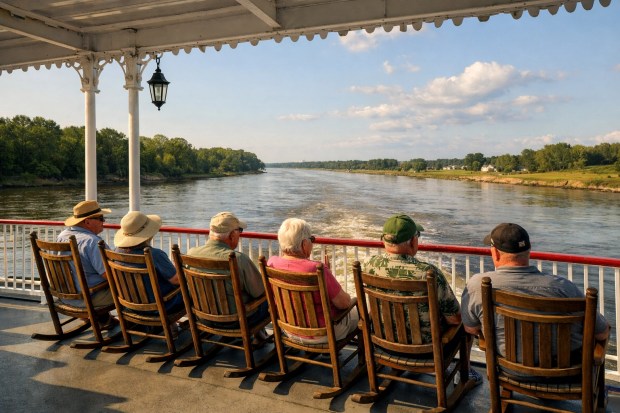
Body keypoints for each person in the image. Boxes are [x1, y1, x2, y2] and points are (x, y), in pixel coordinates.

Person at [461, 223, 610, 359]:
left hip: (508, 371)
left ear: (496, 253)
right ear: (529, 251)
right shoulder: (563, 287)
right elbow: (601, 333)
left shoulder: (477, 285)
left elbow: (471, 328)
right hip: (565, 374)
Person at [363, 213, 481, 385]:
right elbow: (455, 318)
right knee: (465, 323)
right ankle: (466, 372)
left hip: (383, 346)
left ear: (384, 240)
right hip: (426, 352)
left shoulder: (368, 266)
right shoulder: (429, 274)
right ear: (412, 241)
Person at [267, 217, 359, 344]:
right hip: (322, 334)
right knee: (361, 311)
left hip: (288, 330)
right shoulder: (316, 269)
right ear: (304, 244)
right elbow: (344, 303)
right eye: (312, 239)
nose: (312, 243)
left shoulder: (271, 263)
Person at [187, 211, 269, 343]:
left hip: (202, 318)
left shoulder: (191, 254)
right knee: (270, 299)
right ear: (232, 235)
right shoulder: (238, 259)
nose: (240, 235)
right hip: (236, 322)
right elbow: (260, 292)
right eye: (239, 231)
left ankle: (260, 335)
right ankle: (261, 337)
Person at [114, 211, 183, 313]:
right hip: (159, 307)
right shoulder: (155, 255)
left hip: (130, 306)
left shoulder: (116, 252)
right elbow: (177, 280)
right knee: (192, 291)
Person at [58, 200, 114, 325]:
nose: (103, 221)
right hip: (88, 298)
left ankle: (104, 320)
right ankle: (139, 323)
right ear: (87, 221)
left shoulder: (62, 236)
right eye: (100, 218)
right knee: (131, 287)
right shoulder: (92, 242)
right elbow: (109, 275)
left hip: (65, 296)